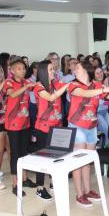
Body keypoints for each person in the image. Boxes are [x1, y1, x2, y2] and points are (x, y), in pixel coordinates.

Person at [67, 62, 109, 207]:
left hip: (91, 126)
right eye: (75, 68)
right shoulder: (73, 85)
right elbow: (85, 93)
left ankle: (88, 191)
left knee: (88, 160)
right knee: (78, 161)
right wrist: (103, 89)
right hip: (77, 126)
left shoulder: (96, 85)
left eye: (78, 68)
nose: (75, 70)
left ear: (87, 71)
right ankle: (79, 194)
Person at [33, 60, 70, 201]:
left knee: (55, 157)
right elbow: (50, 97)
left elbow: (68, 87)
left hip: (57, 127)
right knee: (43, 159)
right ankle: (40, 188)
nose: (53, 71)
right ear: (43, 71)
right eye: (50, 69)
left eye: (53, 69)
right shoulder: (38, 86)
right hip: (43, 128)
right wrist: (65, 86)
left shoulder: (54, 84)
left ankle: (53, 183)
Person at [3, 58, 37, 196]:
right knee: (15, 154)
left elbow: (36, 88)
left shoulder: (26, 82)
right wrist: (25, 87)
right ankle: (15, 184)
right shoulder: (9, 82)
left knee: (24, 152)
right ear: (12, 70)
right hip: (13, 124)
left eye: (23, 68)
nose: (22, 71)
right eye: (18, 68)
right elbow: (12, 93)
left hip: (25, 122)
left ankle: (24, 178)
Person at [94, 67, 109, 146]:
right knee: (106, 130)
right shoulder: (93, 86)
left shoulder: (105, 83)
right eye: (97, 73)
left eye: (101, 72)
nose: (100, 74)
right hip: (97, 112)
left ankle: (108, 147)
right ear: (94, 76)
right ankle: (105, 149)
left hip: (105, 111)